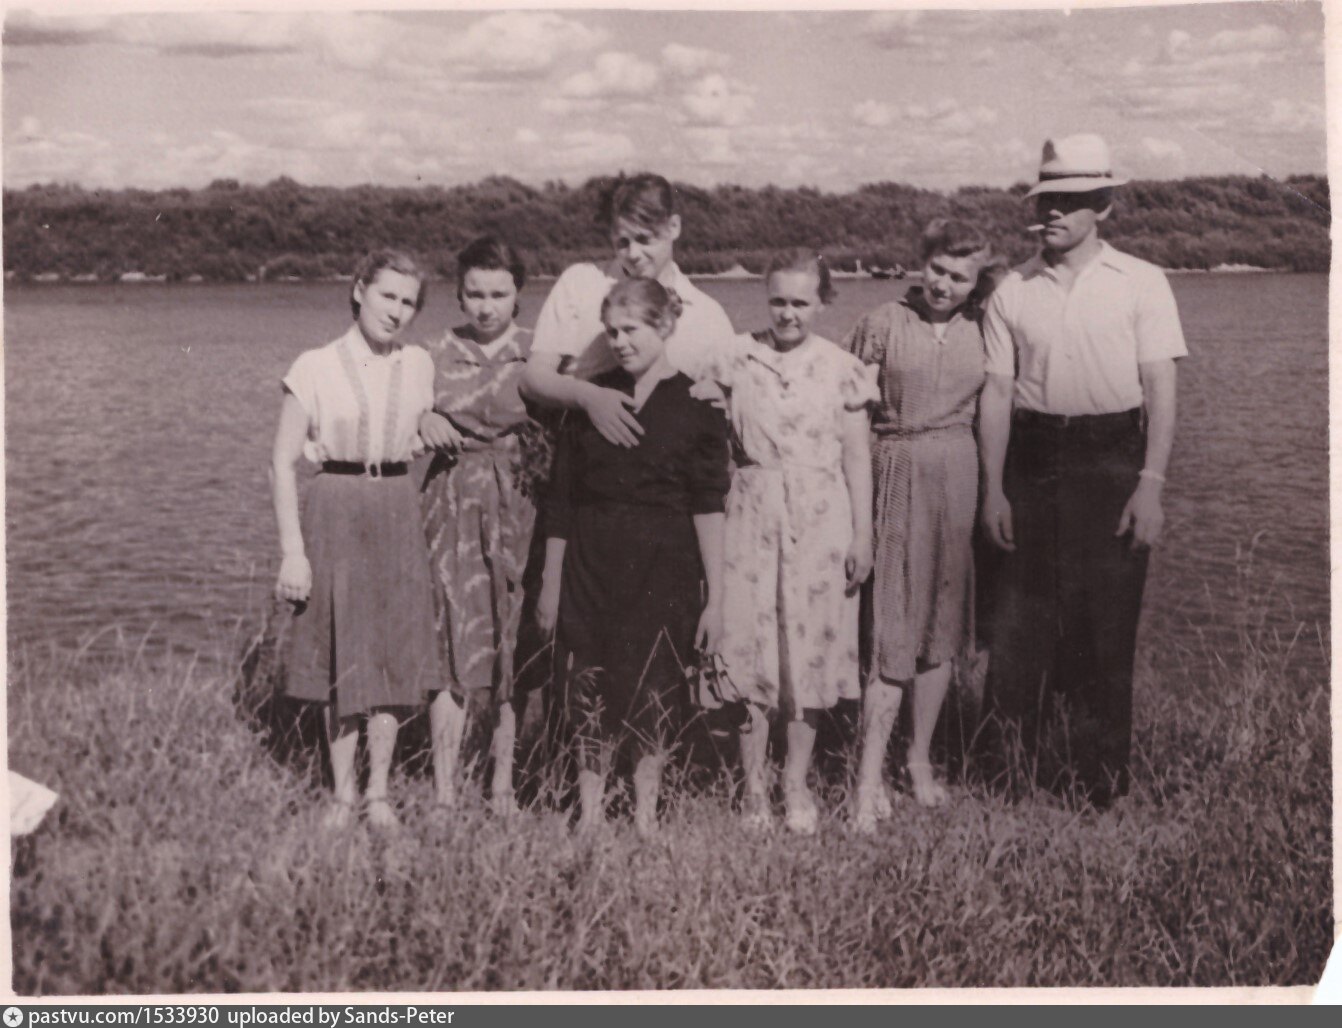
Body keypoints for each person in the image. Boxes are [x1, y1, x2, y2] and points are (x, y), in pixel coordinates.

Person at [977, 134, 1185, 810]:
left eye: (1069, 201)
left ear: (1104, 206)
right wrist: (992, 491)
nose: (1052, 213)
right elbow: (996, 394)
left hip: (1112, 457)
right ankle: (1009, 782)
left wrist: (1150, 484)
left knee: (1105, 629)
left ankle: (1099, 787)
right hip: (1031, 458)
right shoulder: (1012, 290)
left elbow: (1160, 389)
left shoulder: (1142, 282)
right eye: (1045, 201)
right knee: (1019, 629)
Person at [537, 278, 730, 837]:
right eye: (611, 332)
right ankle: (591, 812)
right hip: (591, 561)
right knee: (588, 683)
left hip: (664, 565)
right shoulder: (593, 400)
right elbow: (561, 500)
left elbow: (709, 504)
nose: (619, 342)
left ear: (664, 326)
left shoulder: (696, 404)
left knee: (655, 684)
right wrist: (551, 582)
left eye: (631, 330)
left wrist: (716, 599)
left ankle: (645, 815)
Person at [697, 250, 877, 836]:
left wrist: (863, 534)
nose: (788, 313)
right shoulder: (734, 357)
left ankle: (794, 782)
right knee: (750, 651)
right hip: (751, 513)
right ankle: (753, 786)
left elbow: (857, 456)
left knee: (810, 655)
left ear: (821, 303)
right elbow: (701, 435)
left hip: (822, 519)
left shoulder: (844, 368)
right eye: (778, 300)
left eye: (801, 302)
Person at [271, 249, 439, 830]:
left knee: (390, 649)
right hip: (335, 504)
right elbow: (280, 462)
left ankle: (379, 792)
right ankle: (342, 794)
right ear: (359, 290)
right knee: (341, 645)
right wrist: (293, 552)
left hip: (396, 503)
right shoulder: (313, 366)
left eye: (409, 302)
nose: (396, 311)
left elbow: (430, 424)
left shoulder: (420, 364)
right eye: (387, 295)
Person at [844, 219, 999, 830]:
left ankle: (918, 760)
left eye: (959, 276)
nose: (943, 284)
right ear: (922, 262)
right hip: (895, 467)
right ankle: (866, 777)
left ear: (976, 281)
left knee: (942, 623)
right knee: (893, 624)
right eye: (936, 268)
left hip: (958, 475)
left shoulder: (984, 328)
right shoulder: (883, 323)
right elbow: (849, 412)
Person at [418, 236, 549, 816]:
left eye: (498, 293)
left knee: (513, 638)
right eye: (475, 293)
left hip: (521, 502)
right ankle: (445, 790)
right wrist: (422, 416)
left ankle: (503, 785)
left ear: (518, 293)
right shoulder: (433, 352)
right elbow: (395, 405)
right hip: (452, 501)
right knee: (449, 635)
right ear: (459, 293)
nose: (486, 306)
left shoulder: (540, 351)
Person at [521, 173, 735, 446]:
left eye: (644, 239)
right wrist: (588, 397)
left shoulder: (709, 315)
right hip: (582, 444)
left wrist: (723, 399)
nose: (633, 254)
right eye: (622, 242)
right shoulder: (581, 283)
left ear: (674, 227)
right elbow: (532, 378)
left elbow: (728, 400)